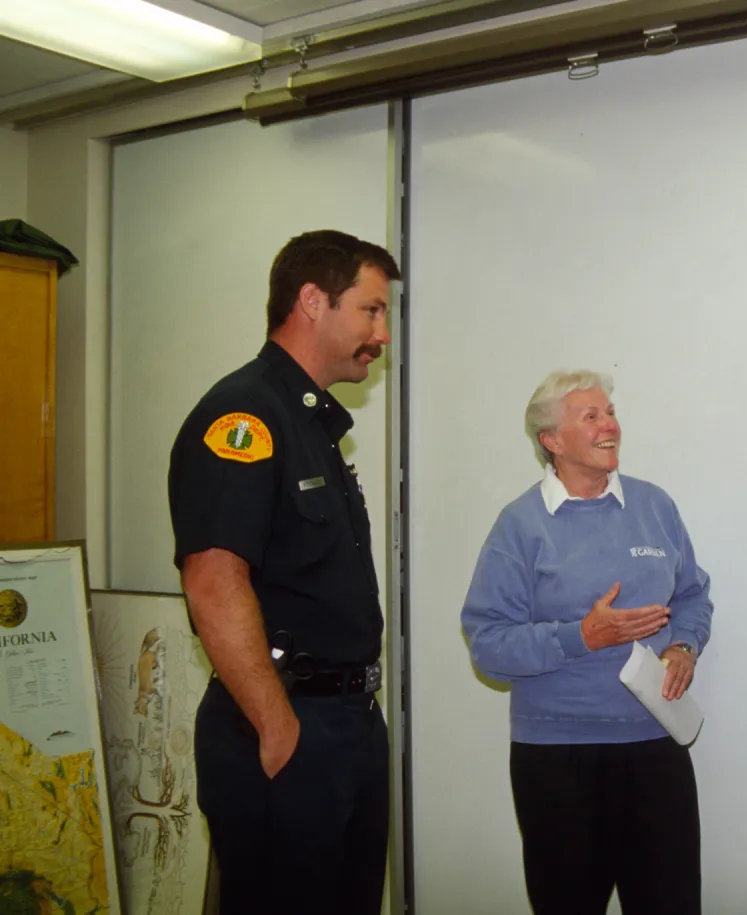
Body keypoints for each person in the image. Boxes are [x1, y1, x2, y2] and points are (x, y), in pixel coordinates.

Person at [168, 229, 399, 915]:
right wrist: (277, 727)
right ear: (311, 301)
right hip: (288, 722)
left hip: (346, 723)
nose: (382, 334)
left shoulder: (313, 424)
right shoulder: (245, 415)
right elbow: (213, 580)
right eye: (371, 310)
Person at [461, 370, 713, 915]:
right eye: (591, 416)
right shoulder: (520, 525)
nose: (610, 426)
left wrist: (684, 647)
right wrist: (582, 637)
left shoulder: (654, 506)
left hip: (655, 746)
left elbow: (693, 594)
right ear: (551, 441)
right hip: (557, 761)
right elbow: (489, 644)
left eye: (611, 412)